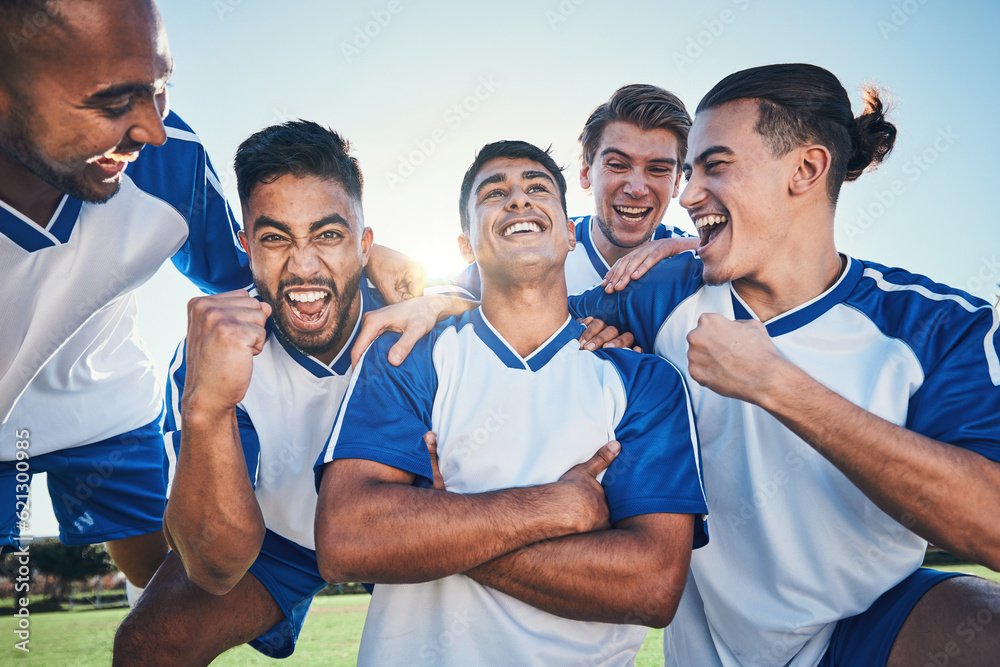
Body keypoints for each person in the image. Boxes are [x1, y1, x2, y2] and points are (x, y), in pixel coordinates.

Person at [571, 63, 1000, 666]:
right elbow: (524, 318)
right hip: (709, 647)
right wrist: (431, 303)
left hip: (869, 630)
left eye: (715, 166)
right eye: (689, 172)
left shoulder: (938, 326)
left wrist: (780, 386)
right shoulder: (661, 289)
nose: (687, 194)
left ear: (806, 169)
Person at [0, 0, 423, 595]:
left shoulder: (168, 162)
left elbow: (254, 269)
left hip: (106, 403)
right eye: (113, 100)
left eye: (160, 88)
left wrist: (366, 258)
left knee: (162, 576)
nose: (151, 128)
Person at [314, 140, 708, 666]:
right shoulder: (409, 353)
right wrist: (556, 509)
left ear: (571, 233)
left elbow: (652, 587)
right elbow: (347, 540)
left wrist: (438, 523)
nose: (518, 200)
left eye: (537, 188)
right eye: (494, 193)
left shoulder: (645, 381)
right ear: (465, 245)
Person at [111, 121, 396, 662]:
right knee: (149, 644)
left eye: (328, 235)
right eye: (275, 238)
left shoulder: (419, 315)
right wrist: (206, 407)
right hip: (280, 543)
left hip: (396, 518)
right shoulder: (215, 346)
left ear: (364, 245)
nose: (303, 264)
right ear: (245, 245)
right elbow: (214, 568)